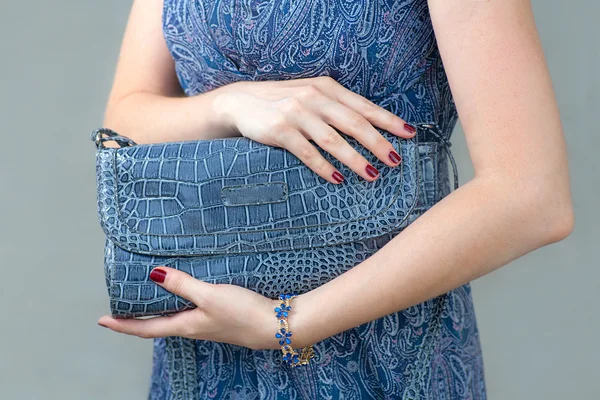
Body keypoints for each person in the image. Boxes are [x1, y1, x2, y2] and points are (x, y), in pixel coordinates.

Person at [97, 0, 574, 398]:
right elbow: (124, 119)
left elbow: (530, 194)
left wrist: (284, 325)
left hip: (384, 347)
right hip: (209, 351)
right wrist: (231, 103)